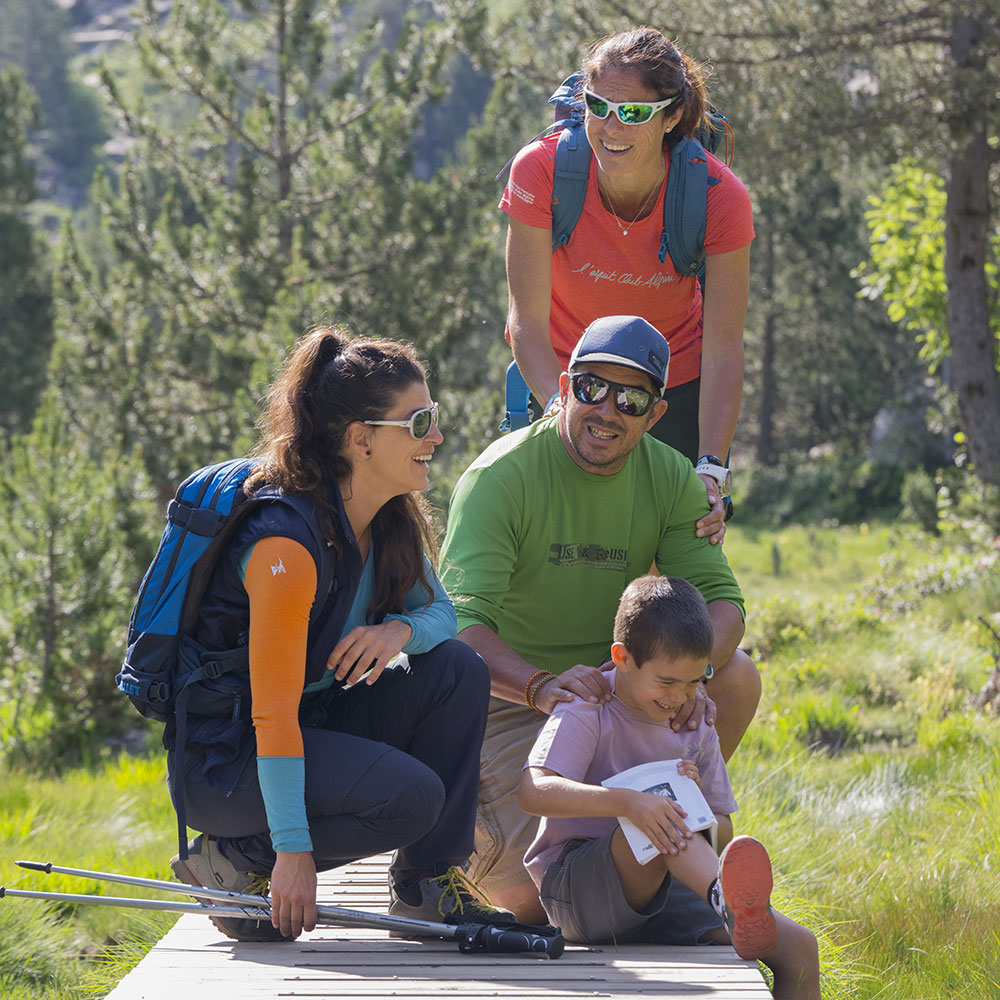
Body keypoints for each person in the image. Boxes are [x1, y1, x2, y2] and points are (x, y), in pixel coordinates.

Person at [167, 327, 515, 941]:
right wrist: (293, 858)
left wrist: (399, 632)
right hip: (231, 758)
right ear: (361, 440)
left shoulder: (385, 520)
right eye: (419, 422)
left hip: (311, 724)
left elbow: (444, 616)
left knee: (458, 670)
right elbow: (271, 717)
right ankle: (236, 860)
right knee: (411, 798)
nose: (435, 436)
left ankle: (426, 887)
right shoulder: (286, 546)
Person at [438, 314, 761, 924]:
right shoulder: (499, 478)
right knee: (532, 908)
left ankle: (667, 838)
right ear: (564, 385)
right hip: (509, 701)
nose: (607, 409)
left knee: (736, 674)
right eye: (591, 388)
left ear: (655, 414)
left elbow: (723, 603)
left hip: (623, 688)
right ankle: (637, 850)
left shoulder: (669, 476)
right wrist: (540, 686)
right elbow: (459, 629)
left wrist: (693, 680)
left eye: (631, 397)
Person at [501, 26, 754, 543]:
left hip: (671, 390)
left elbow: (724, 348)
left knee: (670, 561)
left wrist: (711, 467)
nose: (611, 126)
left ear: (672, 116)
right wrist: (559, 410)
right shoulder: (541, 171)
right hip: (568, 383)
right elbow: (524, 323)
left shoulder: (718, 196)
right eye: (598, 105)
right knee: (555, 552)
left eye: (634, 112)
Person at [518, 575, 820, 999]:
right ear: (622, 658)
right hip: (578, 892)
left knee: (800, 948)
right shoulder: (590, 707)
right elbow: (533, 791)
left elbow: (723, 830)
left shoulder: (695, 723)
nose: (681, 697)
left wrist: (693, 805)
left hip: (668, 890)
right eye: (667, 682)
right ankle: (725, 901)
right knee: (658, 814)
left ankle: (729, 906)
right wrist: (629, 804)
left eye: (696, 681)